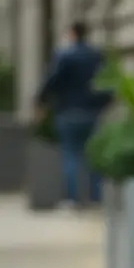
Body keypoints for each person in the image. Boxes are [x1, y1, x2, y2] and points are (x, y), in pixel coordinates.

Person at [36, 20, 109, 207]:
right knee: (92, 155)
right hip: (91, 112)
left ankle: (72, 199)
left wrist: (41, 101)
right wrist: (102, 105)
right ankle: (95, 198)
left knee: (69, 154)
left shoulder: (64, 55)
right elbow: (107, 82)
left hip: (67, 111)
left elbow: (52, 81)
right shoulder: (96, 56)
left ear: (72, 33)